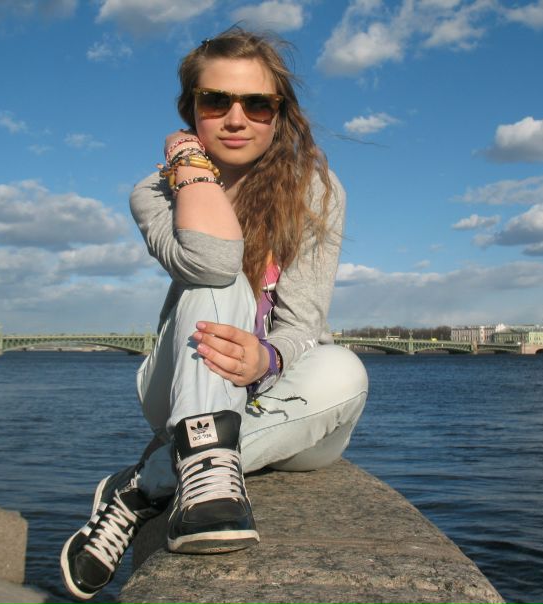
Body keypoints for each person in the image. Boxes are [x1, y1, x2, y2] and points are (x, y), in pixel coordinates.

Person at [60, 27, 368, 600]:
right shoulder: (155, 191)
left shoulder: (317, 191)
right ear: (190, 110)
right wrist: (189, 164)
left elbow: (303, 324)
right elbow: (212, 261)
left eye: (257, 104)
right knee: (217, 281)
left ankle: (143, 487)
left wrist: (266, 358)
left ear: (279, 114)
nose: (236, 118)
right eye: (215, 101)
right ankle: (203, 476)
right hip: (185, 381)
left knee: (346, 371)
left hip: (283, 396)